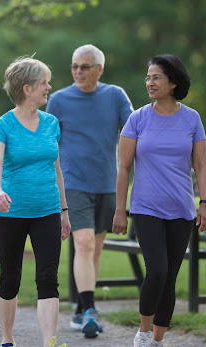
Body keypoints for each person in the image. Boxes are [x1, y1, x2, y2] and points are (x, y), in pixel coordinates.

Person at [112, 54, 206, 347]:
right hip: (146, 207)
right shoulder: (138, 118)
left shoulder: (192, 118)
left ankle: (157, 339)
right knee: (157, 270)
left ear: (173, 82)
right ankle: (142, 333)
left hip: (181, 209)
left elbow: (202, 165)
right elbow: (124, 168)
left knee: (170, 276)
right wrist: (120, 209)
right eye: (148, 77)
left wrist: (204, 202)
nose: (150, 82)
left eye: (156, 77)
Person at [46, 44, 133, 338]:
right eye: (74, 66)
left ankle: (81, 307)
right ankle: (91, 311)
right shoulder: (58, 100)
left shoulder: (115, 96)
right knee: (82, 243)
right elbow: (49, 143)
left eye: (84, 66)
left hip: (107, 184)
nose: (78, 72)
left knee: (94, 249)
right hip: (73, 183)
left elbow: (133, 131)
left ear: (100, 69)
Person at [0, 57, 71, 347]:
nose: (49, 87)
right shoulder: (3, 125)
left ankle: (50, 342)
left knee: (48, 277)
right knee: (10, 277)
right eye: (44, 83)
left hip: (47, 211)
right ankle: (7, 339)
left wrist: (64, 211)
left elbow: (57, 169)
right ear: (27, 88)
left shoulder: (51, 123)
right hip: (11, 213)